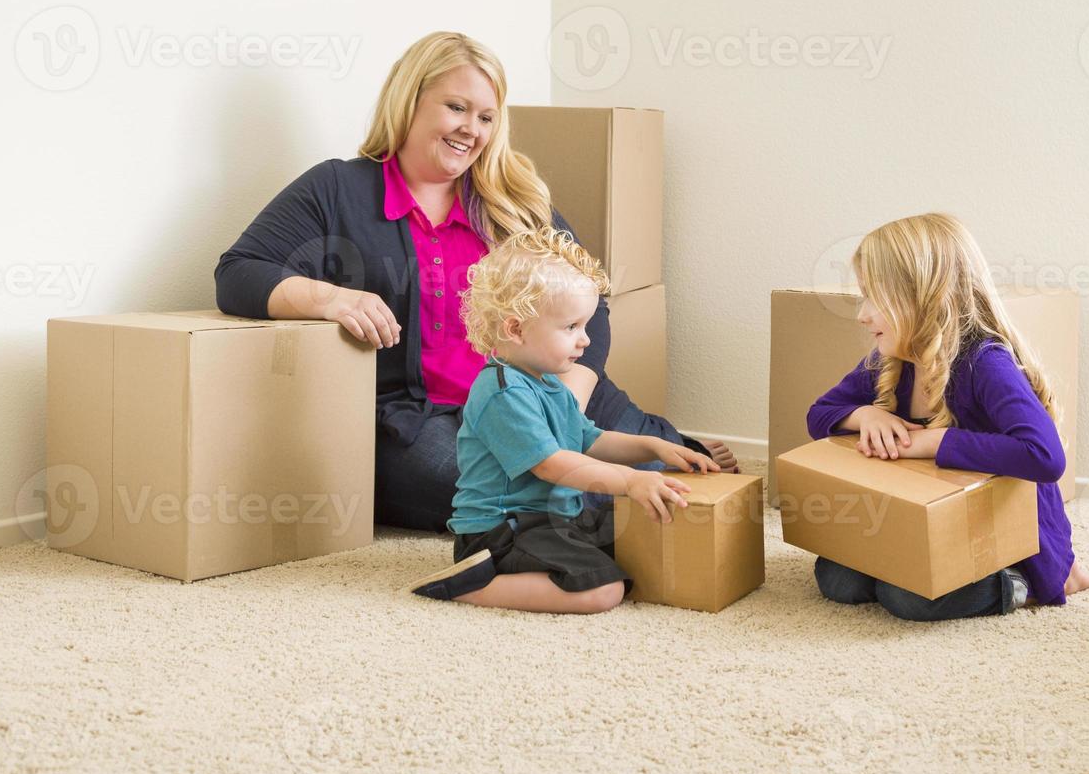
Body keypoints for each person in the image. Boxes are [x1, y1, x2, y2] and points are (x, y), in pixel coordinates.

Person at [215, 31, 734, 533]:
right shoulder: (337, 189)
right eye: (456, 108)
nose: (471, 129)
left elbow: (589, 302)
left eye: (486, 116)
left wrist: (568, 401)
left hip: (547, 389)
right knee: (520, 491)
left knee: (680, 466)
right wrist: (331, 297)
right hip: (426, 420)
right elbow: (239, 272)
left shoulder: (513, 199)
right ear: (408, 101)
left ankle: (626, 470)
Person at [409, 227, 719, 612]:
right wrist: (630, 480)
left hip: (556, 517)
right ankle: (466, 586)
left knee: (637, 532)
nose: (585, 340)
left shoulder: (550, 384)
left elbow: (591, 440)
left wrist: (654, 448)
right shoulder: (503, 391)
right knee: (602, 591)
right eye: (571, 327)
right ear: (516, 328)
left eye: (585, 326)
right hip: (503, 530)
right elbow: (552, 465)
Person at [806, 213, 1089, 621]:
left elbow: (1045, 456)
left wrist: (935, 442)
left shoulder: (984, 362)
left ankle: (1030, 582)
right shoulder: (890, 361)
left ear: (922, 295)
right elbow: (819, 414)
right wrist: (864, 415)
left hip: (999, 535)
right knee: (838, 582)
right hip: (918, 524)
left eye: (874, 297)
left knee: (907, 597)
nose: (862, 314)